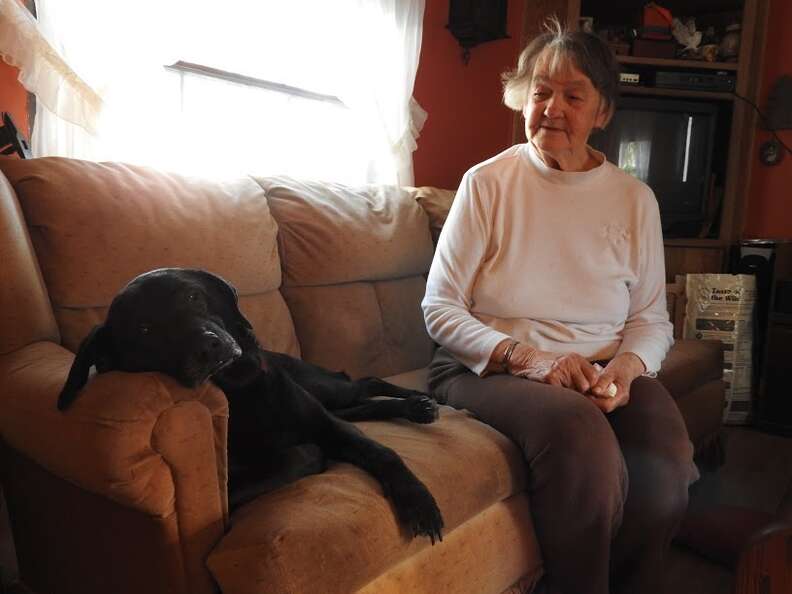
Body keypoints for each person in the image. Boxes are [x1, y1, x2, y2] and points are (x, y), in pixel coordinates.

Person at [422, 19, 697, 594]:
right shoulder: (487, 184)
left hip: (599, 367)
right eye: (540, 91)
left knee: (668, 458)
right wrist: (531, 359)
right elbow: (440, 309)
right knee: (578, 434)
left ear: (602, 112)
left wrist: (625, 370)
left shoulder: (633, 199)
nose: (551, 108)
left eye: (574, 96)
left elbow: (649, 318)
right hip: (489, 367)